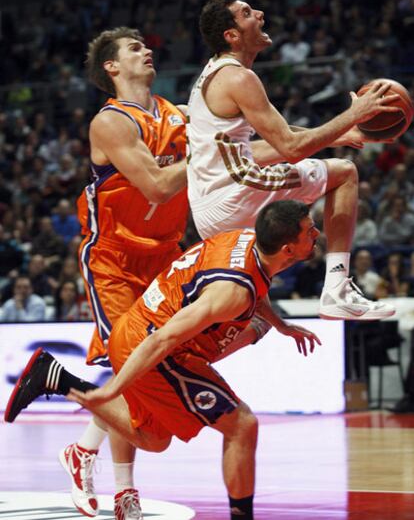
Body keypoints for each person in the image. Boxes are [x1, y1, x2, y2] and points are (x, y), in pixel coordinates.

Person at [5, 200, 322, 520]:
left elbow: (257, 284)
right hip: (154, 347)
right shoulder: (231, 294)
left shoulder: (247, 241)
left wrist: (281, 325)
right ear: (288, 249)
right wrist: (113, 388)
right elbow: (163, 339)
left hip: (148, 334)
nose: (318, 234)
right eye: (310, 232)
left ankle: (57, 378)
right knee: (242, 425)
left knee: (155, 440)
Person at [186, 0, 398, 321]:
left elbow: (260, 147)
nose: (259, 14)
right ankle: (336, 290)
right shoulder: (239, 77)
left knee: (243, 312)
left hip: (207, 209)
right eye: (246, 13)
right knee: (344, 173)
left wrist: (338, 133)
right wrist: (356, 114)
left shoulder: (213, 74)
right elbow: (291, 149)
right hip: (234, 195)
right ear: (231, 35)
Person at [60, 27, 188, 519]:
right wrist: (205, 155)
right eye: (133, 48)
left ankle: (83, 450)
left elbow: (239, 135)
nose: (147, 50)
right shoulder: (109, 122)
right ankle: (123, 489)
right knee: (129, 365)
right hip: (113, 259)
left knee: (140, 370)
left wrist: (320, 139)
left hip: (165, 256)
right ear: (111, 68)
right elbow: (156, 187)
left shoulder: (177, 115)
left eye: (145, 45)